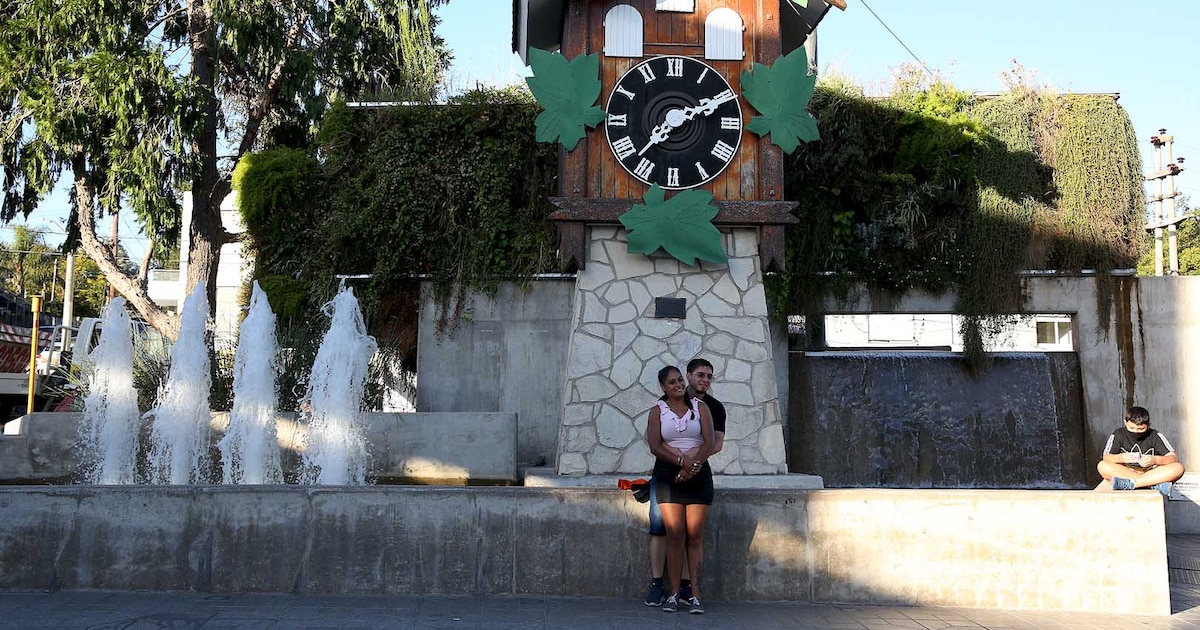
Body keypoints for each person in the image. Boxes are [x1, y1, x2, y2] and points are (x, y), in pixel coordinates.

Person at [643, 359, 725, 609]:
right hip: (668, 474)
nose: (678, 384)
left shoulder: (707, 407)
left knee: (694, 536)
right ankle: (668, 590)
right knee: (670, 533)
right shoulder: (659, 408)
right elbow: (654, 442)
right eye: (673, 382)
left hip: (697, 474)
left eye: (709, 376)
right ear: (664, 386)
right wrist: (680, 461)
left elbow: (712, 442)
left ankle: (694, 592)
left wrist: (693, 466)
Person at [1098, 406, 1185, 496]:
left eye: (1141, 429)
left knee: (1178, 468)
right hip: (1127, 472)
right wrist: (1121, 458)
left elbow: (1173, 458)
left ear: (1148, 425)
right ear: (1125, 422)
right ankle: (1151, 485)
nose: (1136, 432)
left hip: (1152, 473)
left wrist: (1154, 460)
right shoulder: (1118, 434)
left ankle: (1132, 484)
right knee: (1102, 466)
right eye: (1131, 428)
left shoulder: (1155, 435)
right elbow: (1106, 457)